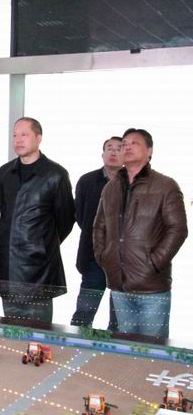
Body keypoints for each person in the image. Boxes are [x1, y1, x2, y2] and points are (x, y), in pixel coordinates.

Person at [93, 128, 188, 340]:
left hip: (152, 288)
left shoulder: (166, 185)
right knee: (126, 347)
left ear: (149, 151)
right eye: (124, 144)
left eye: (134, 143)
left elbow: (178, 229)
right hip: (119, 285)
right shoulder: (111, 188)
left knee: (152, 349)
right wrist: (104, 256)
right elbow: (99, 228)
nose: (127, 147)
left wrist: (154, 263)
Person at [0, 117, 75, 324]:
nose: (18, 140)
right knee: (11, 328)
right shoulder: (5, 172)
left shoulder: (55, 174)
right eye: (15, 135)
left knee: (38, 330)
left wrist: (42, 243)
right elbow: (6, 213)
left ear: (38, 138)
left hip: (39, 267)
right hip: (8, 263)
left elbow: (66, 219)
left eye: (24, 134)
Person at [70, 136, 123, 331]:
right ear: (102, 154)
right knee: (84, 313)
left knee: (119, 319)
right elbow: (80, 216)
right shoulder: (87, 180)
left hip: (124, 259)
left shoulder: (132, 182)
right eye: (109, 148)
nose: (113, 152)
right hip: (93, 255)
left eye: (118, 148)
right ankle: (76, 343)